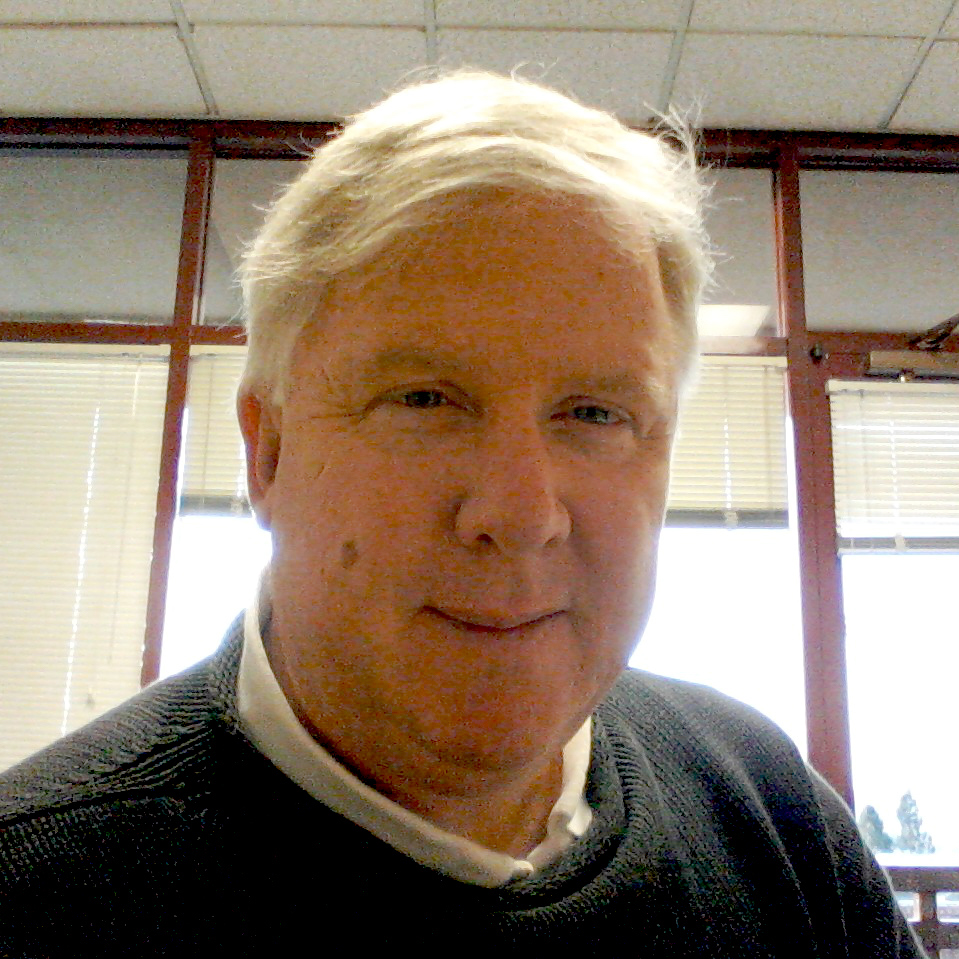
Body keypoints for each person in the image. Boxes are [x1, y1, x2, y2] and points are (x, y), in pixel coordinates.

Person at [1, 72, 923, 957]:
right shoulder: (32, 895)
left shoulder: (770, 814)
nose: (520, 513)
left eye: (595, 414)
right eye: (423, 400)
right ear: (267, 451)